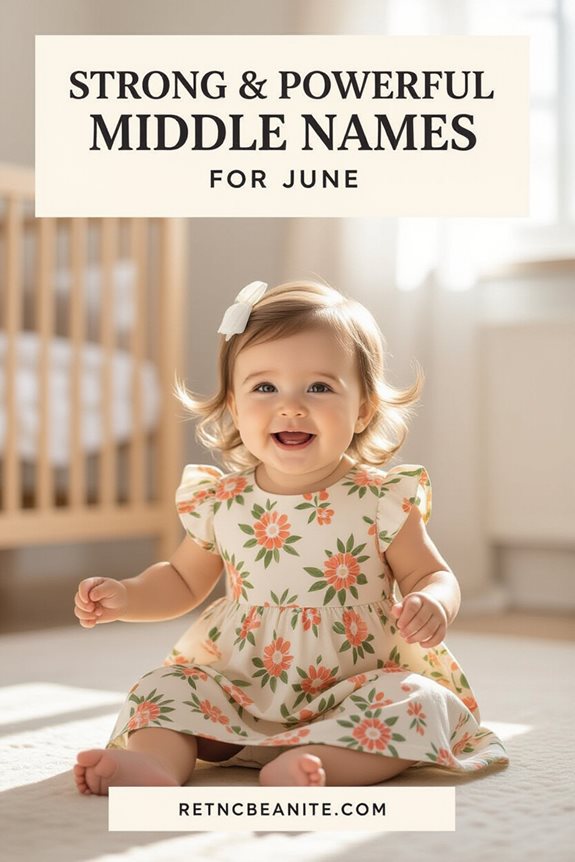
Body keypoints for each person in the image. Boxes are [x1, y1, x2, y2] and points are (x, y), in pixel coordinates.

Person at [73, 280, 508, 794]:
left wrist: (433, 600)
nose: (292, 407)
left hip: (355, 692)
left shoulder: (380, 500)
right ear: (234, 407)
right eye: (265, 388)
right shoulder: (222, 500)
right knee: (163, 686)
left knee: (417, 702)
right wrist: (127, 596)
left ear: (363, 409)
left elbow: (430, 573)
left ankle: (318, 762)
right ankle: (155, 765)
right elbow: (181, 581)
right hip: (239, 692)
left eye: (319, 388)